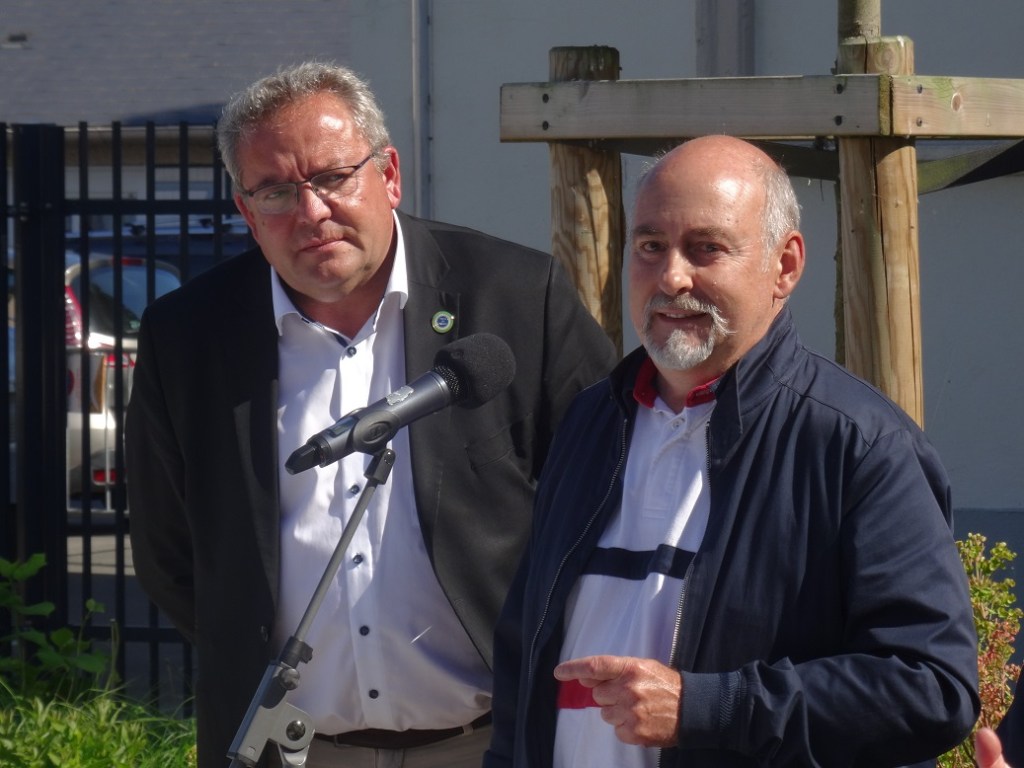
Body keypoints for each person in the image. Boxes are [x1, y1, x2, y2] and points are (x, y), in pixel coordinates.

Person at [126, 61, 616, 768]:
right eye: (276, 191)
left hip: (494, 739)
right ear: (247, 214)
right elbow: (169, 554)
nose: (311, 212)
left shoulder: (515, 298)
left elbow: (606, 495)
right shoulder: (188, 338)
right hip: (292, 751)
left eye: (332, 177)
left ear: (389, 175)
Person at [483, 135, 980, 768]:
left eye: (706, 248)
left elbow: (931, 687)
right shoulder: (590, 422)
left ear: (785, 265)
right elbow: (522, 655)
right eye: (651, 246)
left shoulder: (857, 446)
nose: (672, 277)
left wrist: (706, 708)